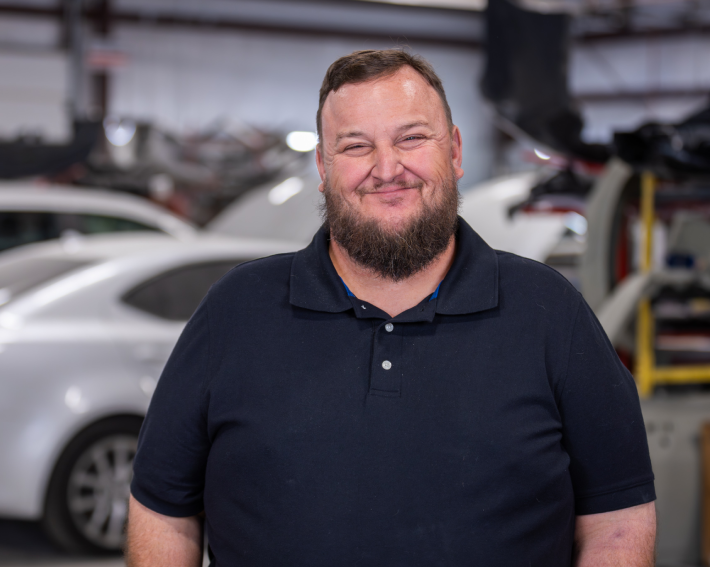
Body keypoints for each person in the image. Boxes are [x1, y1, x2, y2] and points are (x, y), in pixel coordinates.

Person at [126, 49, 656, 567]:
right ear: (323, 165)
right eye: (356, 146)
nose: (387, 168)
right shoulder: (236, 311)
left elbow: (618, 520)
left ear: (454, 151)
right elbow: (164, 512)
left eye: (411, 138)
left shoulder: (550, 313)